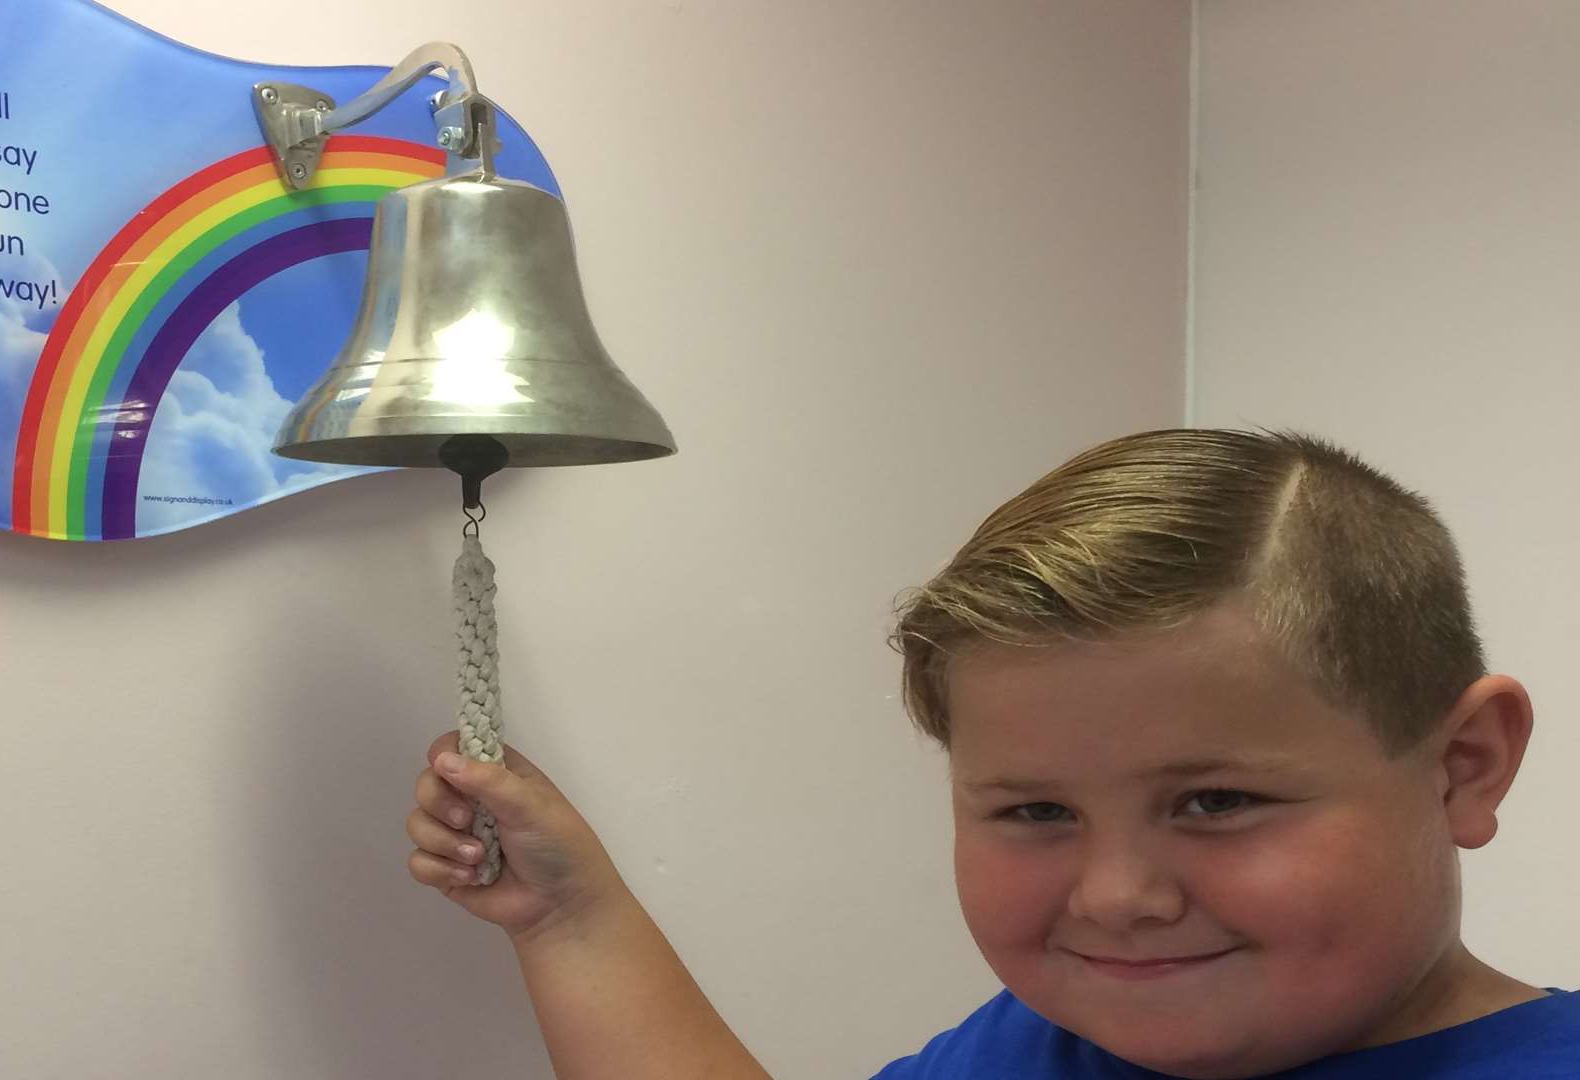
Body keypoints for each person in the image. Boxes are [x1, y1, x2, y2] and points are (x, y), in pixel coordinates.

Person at [405, 428, 1579, 1078]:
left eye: (1216, 800)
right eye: (1035, 814)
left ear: (1463, 764)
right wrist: (571, 918)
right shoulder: (1048, 1048)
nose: (1118, 899)